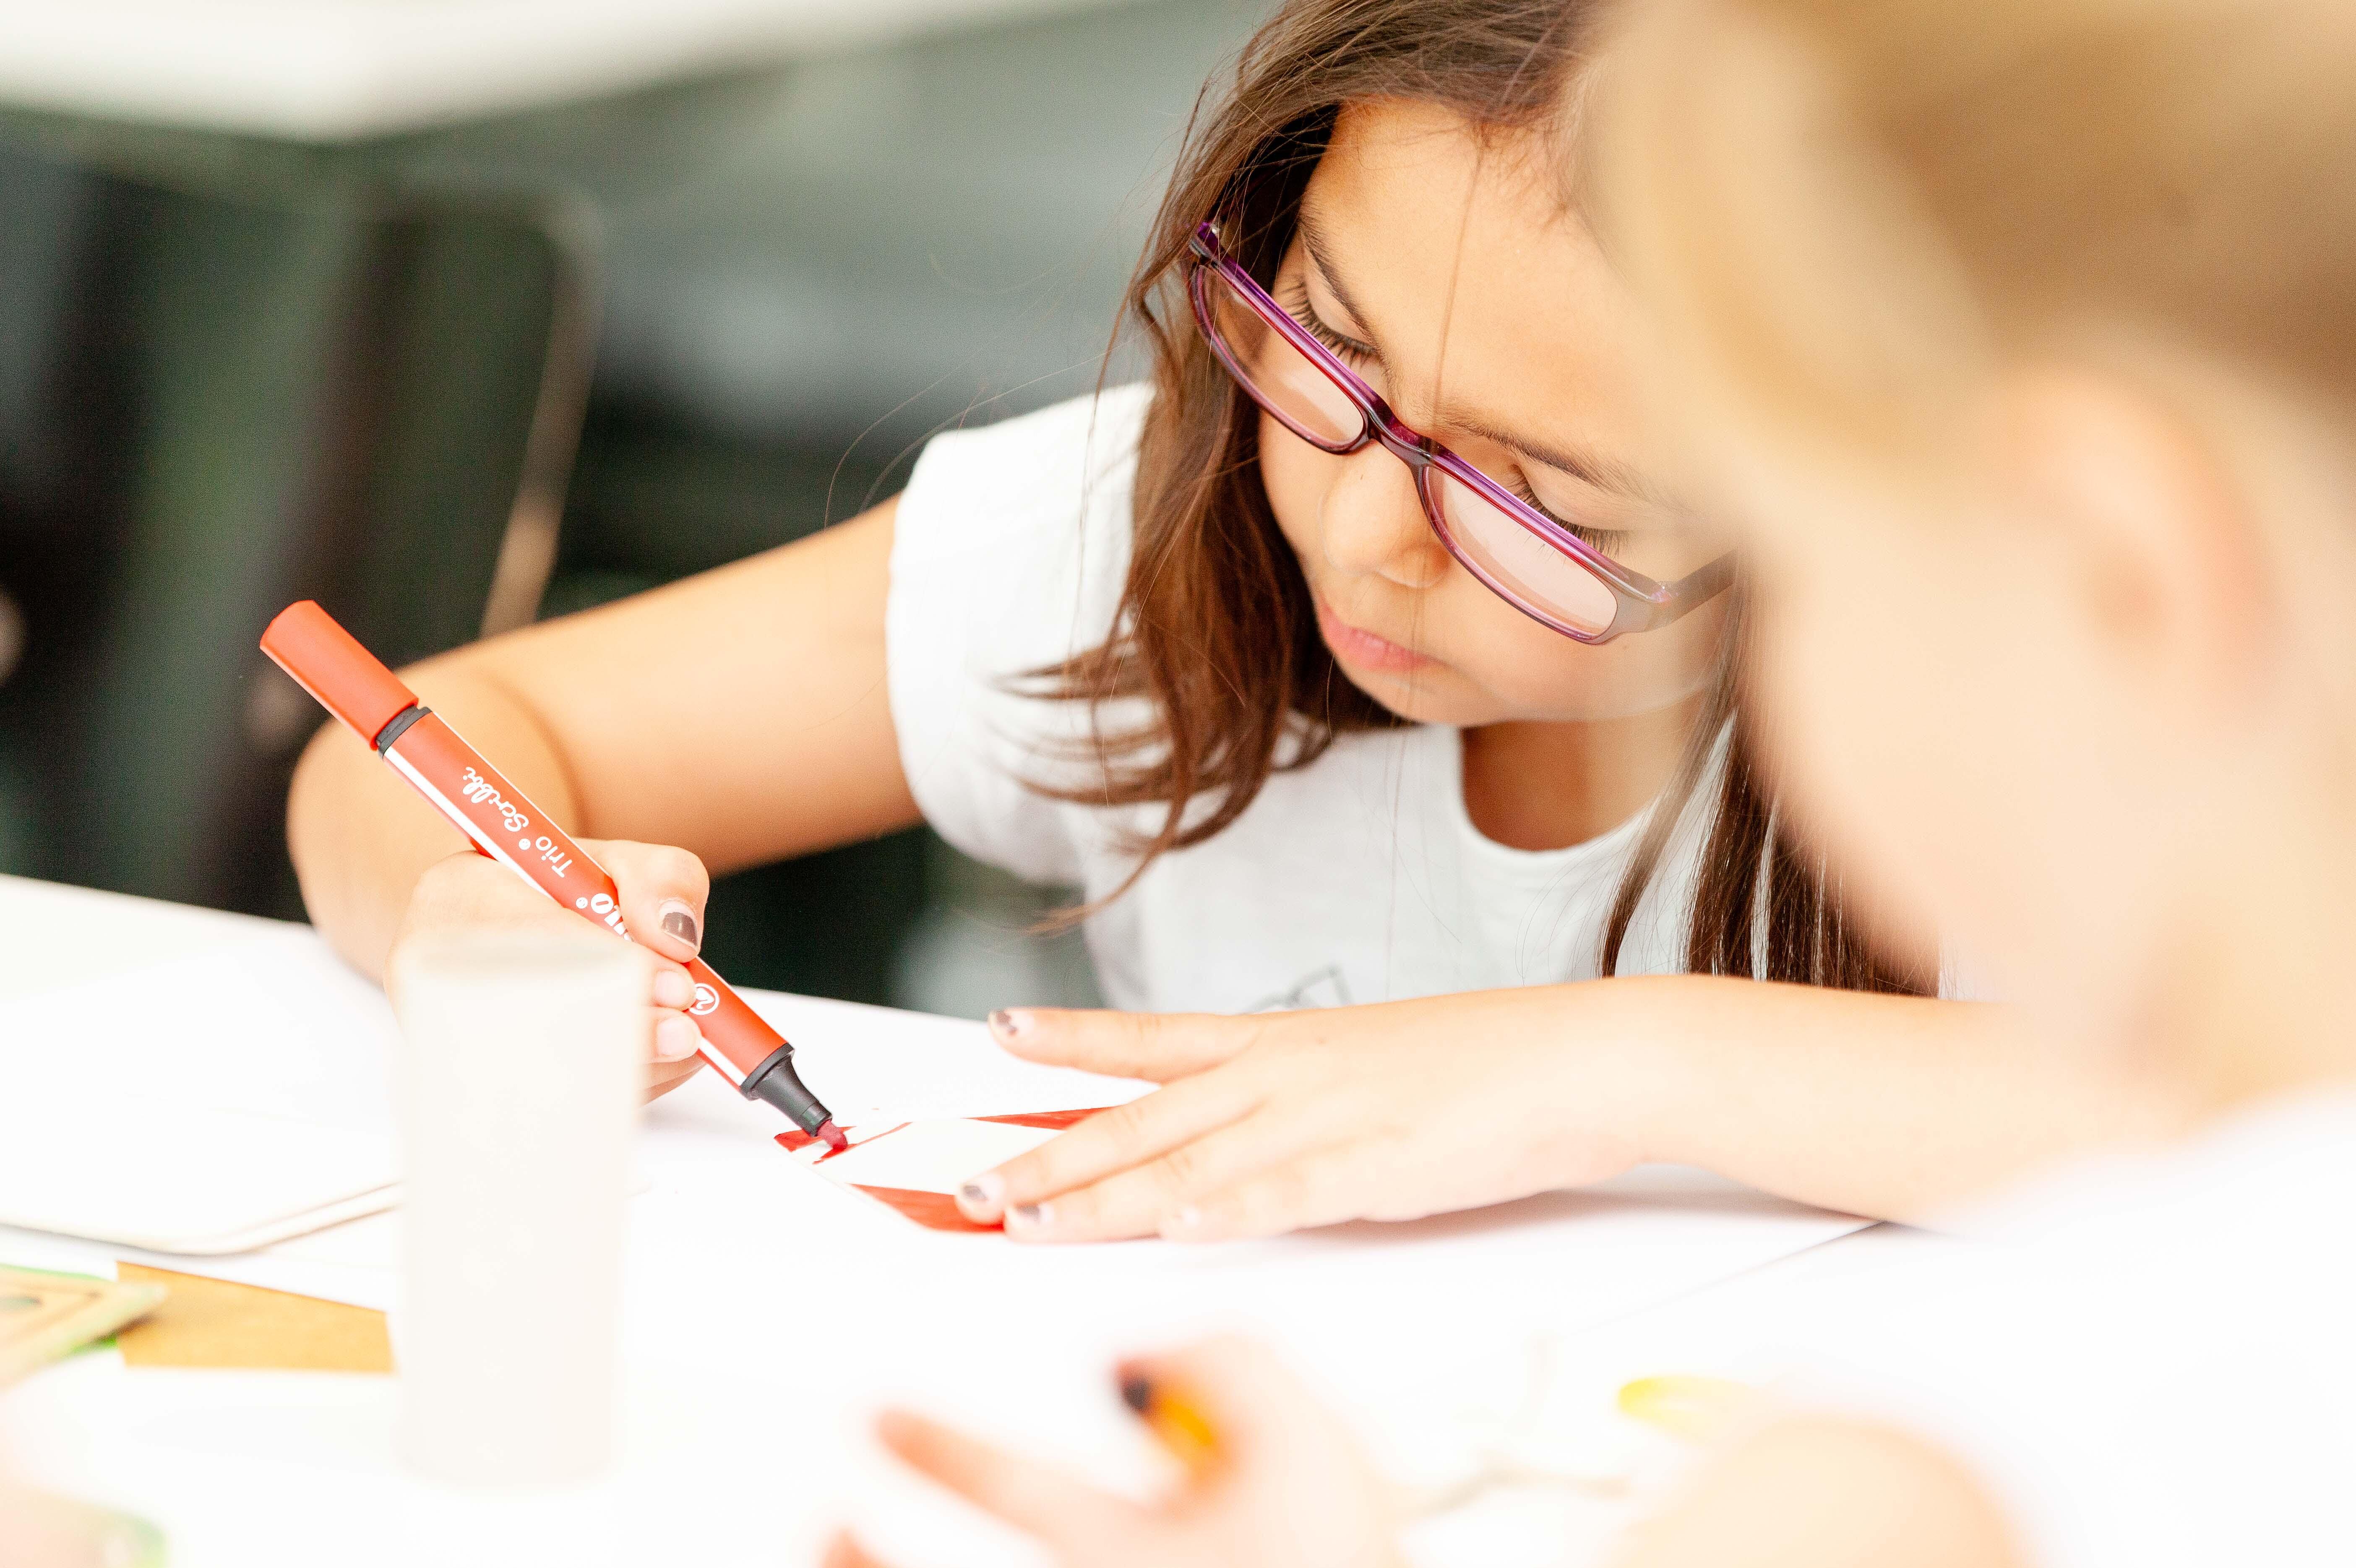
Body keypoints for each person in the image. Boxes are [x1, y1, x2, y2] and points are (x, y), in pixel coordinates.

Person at [840, 0, 2356, 1561]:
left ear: (2115, 573)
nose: (1378, 537)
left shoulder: (1948, 1478)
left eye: (1799, 548)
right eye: (1333, 348)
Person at [288, 0, 2149, 1242]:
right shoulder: (1143, 539)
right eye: (1326, 340)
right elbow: (440, 746)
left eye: (1546, 505)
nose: (1362, 526)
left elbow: (2277, 1119)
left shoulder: (2029, 701)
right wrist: (475, 925)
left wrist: (1616, 1058)